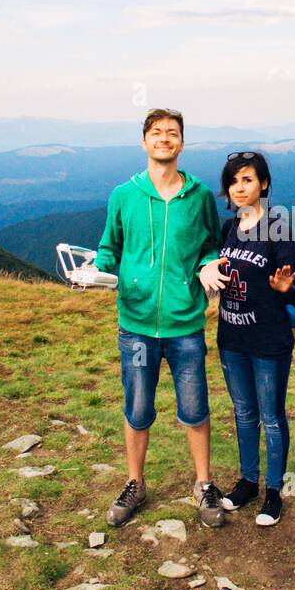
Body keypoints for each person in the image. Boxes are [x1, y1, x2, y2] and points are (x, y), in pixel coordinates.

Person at [93, 109, 232, 528]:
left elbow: (210, 244)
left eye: (172, 133)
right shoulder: (124, 195)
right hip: (135, 324)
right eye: (157, 133)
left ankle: (203, 484)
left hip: (185, 322)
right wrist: (95, 273)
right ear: (144, 142)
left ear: (182, 143)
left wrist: (210, 264)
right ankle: (135, 483)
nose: (164, 139)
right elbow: (108, 249)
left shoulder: (200, 197)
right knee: (137, 409)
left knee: (195, 408)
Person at [213, 151, 295, 526]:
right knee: (244, 414)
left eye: (247, 179)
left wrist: (283, 289)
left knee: (271, 417)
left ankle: (274, 493)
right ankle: (248, 483)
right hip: (232, 338)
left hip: (268, 342)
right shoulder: (228, 229)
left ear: (264, 184)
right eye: (233, 181)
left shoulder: (278, 229)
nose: (239, 187)